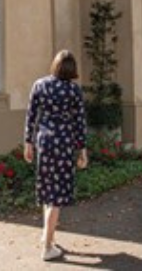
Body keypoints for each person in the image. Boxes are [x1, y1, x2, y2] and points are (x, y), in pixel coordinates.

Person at [23, 49, 88, 262]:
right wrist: (82, 150)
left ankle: (46, 235)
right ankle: (48, 247)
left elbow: (31, 115)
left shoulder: (40, 84)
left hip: (44, 141)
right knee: (56, 196)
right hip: (64, 143)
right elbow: (80, 123)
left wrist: (28, 142)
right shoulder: (74, 91)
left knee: (47, 189)